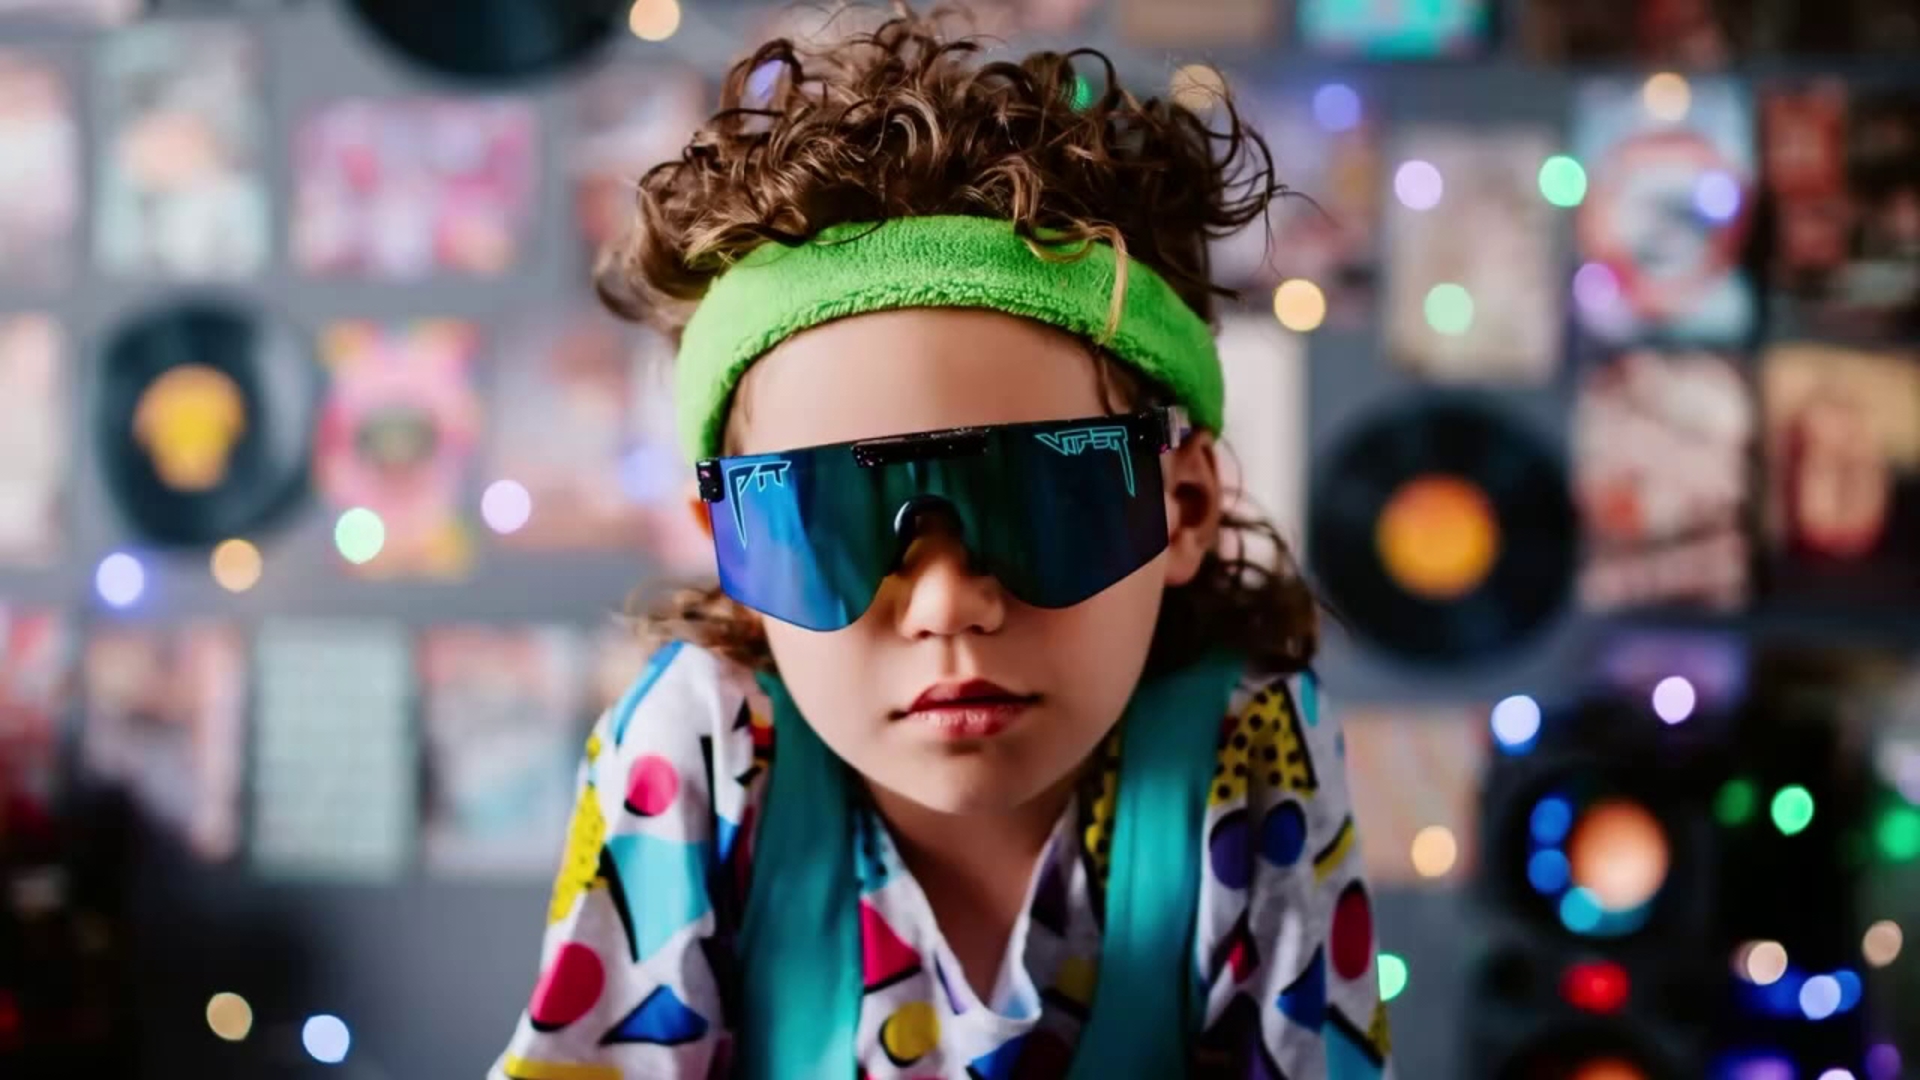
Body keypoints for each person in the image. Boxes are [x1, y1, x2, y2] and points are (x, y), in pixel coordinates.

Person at [492, 8, 1392, 1078]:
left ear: (1183, 509)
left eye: (1045, 499)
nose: (944, 604)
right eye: (829, 520)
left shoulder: (1245, 760)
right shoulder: (702, 756)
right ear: (731, 549)